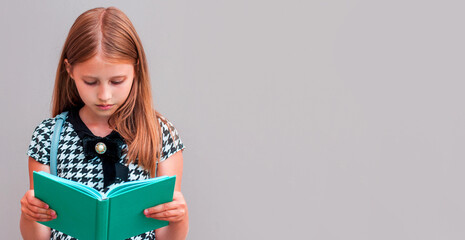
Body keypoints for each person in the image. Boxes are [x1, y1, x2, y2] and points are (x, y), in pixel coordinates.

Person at [19, 6, 188, 240]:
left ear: (136, 70)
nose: (104, 95)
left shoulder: (160, 134)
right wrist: (30, 213)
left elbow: (168, 235)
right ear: (70, 70)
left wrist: (179, 216)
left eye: (117, 81)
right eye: (90, 82)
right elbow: (37, 236)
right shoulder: (48, 136)